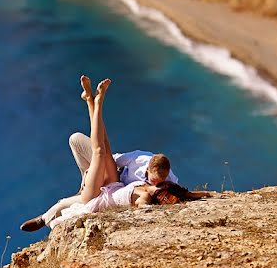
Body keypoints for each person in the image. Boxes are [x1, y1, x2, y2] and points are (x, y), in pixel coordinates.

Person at [20, 76, 209, 232]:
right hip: (113, 181)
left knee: (99, 152)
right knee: (104, 150)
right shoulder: (141, 160)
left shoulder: (151, 193)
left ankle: (93, 101)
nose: (157, 185)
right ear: (149, 169)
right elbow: (188, 194)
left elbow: (149, 207)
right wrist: (207, 194)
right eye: (157, 182)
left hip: (96, 195)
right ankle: (91, 99)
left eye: (160, 185)